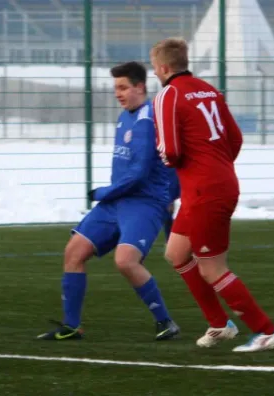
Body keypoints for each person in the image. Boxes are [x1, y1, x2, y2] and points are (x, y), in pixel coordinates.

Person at [150, 37, 274, 352]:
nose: (155, 73)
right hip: (217, 181)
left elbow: (170, 150)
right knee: (177, 254)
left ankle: (266, 330)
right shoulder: (209, 90)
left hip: (203, 189)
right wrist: (215, 164)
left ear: (164, 67)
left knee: (212, 267)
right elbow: (235, 138)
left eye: (155, 68)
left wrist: (174, 161)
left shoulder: (168, 95)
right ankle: (219, 324)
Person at [37, 61, 180, 342]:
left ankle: (165, 322)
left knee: (125, 261)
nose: (118, 93)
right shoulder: (125, 116)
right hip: (117, 202)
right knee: (73, 252)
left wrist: (103, 193)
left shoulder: (150, 120)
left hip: (143, 202)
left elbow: (141, 174)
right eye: (116, 87)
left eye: (123, 87)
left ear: (140, 87)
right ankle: (72, 325)